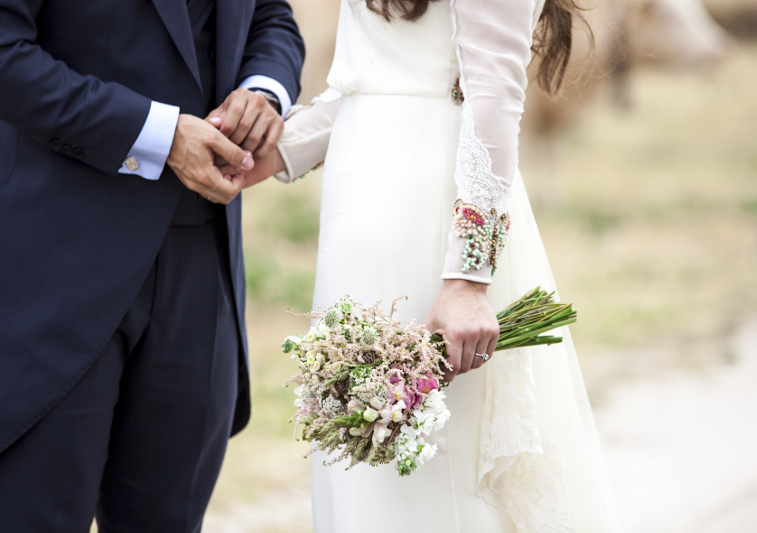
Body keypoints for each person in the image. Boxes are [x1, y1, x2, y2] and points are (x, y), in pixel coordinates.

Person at [221, 0, 621, 531]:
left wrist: (467, 281)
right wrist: (278, 150)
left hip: (429, 222)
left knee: (434, 472)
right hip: (359, 223)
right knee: (366, 463)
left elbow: (493, 101)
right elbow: (372, 79)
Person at [0, 0, 303, 530]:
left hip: (202, 261)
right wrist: (157, 135)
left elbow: (270, 14)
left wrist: (264, 91)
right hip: (56, 262)